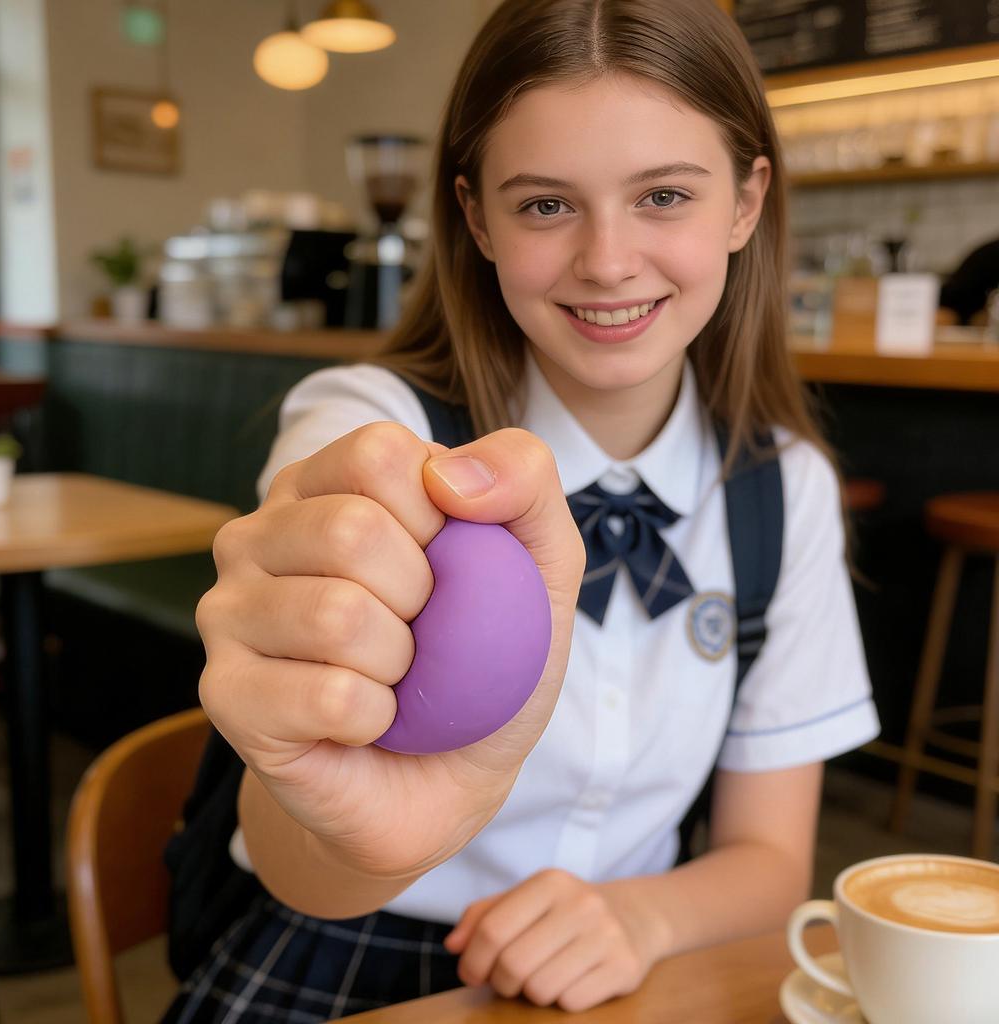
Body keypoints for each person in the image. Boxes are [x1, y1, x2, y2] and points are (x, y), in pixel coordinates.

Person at [162, 1, 880, 1019]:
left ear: (745, 200)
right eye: (546, 205)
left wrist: (640, 918)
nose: (607, 260)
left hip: (627, 967)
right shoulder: (371, 433)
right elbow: (294, 856)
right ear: (475, 216)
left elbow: (770, 859)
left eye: (663, 195)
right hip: (341, 957)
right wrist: (361, 833)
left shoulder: (782, 487)